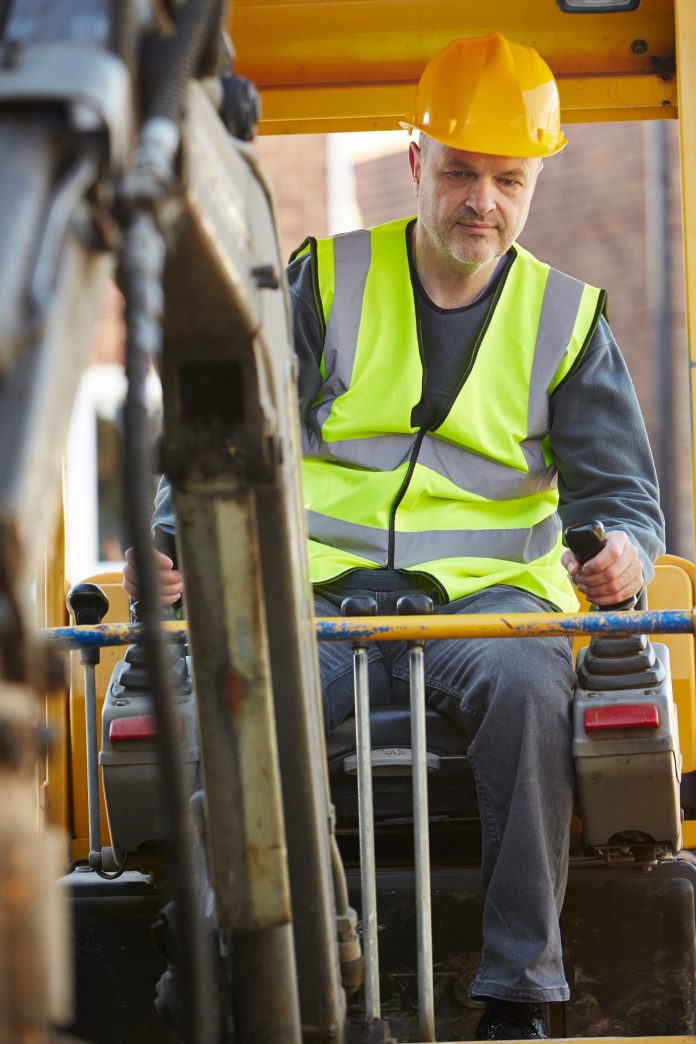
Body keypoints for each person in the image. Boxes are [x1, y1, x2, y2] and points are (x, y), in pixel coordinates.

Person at [124, 32, 664, 1041]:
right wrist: (170, 540)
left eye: (509, 180)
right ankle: (231, 957)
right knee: (237, 688)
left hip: (484, 617)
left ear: (535, 179)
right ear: (415, 161)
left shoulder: (568, 318)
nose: (482, 203)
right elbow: (221, 429)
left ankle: (519, 995)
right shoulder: (320, 282)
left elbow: (627, 501)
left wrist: (625, 550)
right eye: (460, 172)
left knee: (531, 683)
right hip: (315, 606)